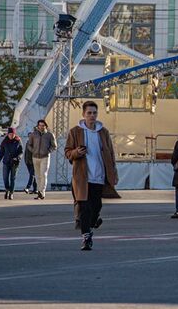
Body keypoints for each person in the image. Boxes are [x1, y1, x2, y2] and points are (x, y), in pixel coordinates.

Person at [64, 101, 119, 251]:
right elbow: (67, 152)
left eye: (94, 113)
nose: (92, 116)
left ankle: (92, 223)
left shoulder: (103, 132)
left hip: (99, 176)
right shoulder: (75, 131)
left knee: (96, 206)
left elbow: (111, 153)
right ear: (83, 114)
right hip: (82, 177)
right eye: (89, 113)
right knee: (84, 208)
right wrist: (76, 152)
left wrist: (113, 172)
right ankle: (86, 238)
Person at [28, 119, 57, 199]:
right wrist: (33, 150)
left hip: (45, 157)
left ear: (46, 126)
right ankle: (39, 192)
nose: (41, 127)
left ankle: (42, 192)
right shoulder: (33, 134)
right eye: (40, 125)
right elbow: (29, 145)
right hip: (35, 157)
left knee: (43, 174)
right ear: (37, 126)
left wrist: (48, 151)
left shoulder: (50, 135)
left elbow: (54, 146)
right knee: (37, 175)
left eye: (43, 125)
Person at [0, 127, 23, 200]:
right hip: (6, 162)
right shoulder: (4, 141)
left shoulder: (18, 141)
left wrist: (17, 158)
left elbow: (21, 152)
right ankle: (7, 189)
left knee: (13, 178)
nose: (11, 135)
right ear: (8, 134)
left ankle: (11, 193)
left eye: (13, 134)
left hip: (15, 163)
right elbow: (1, 153)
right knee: (5, 178)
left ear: (15, 134)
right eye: (10, 134)